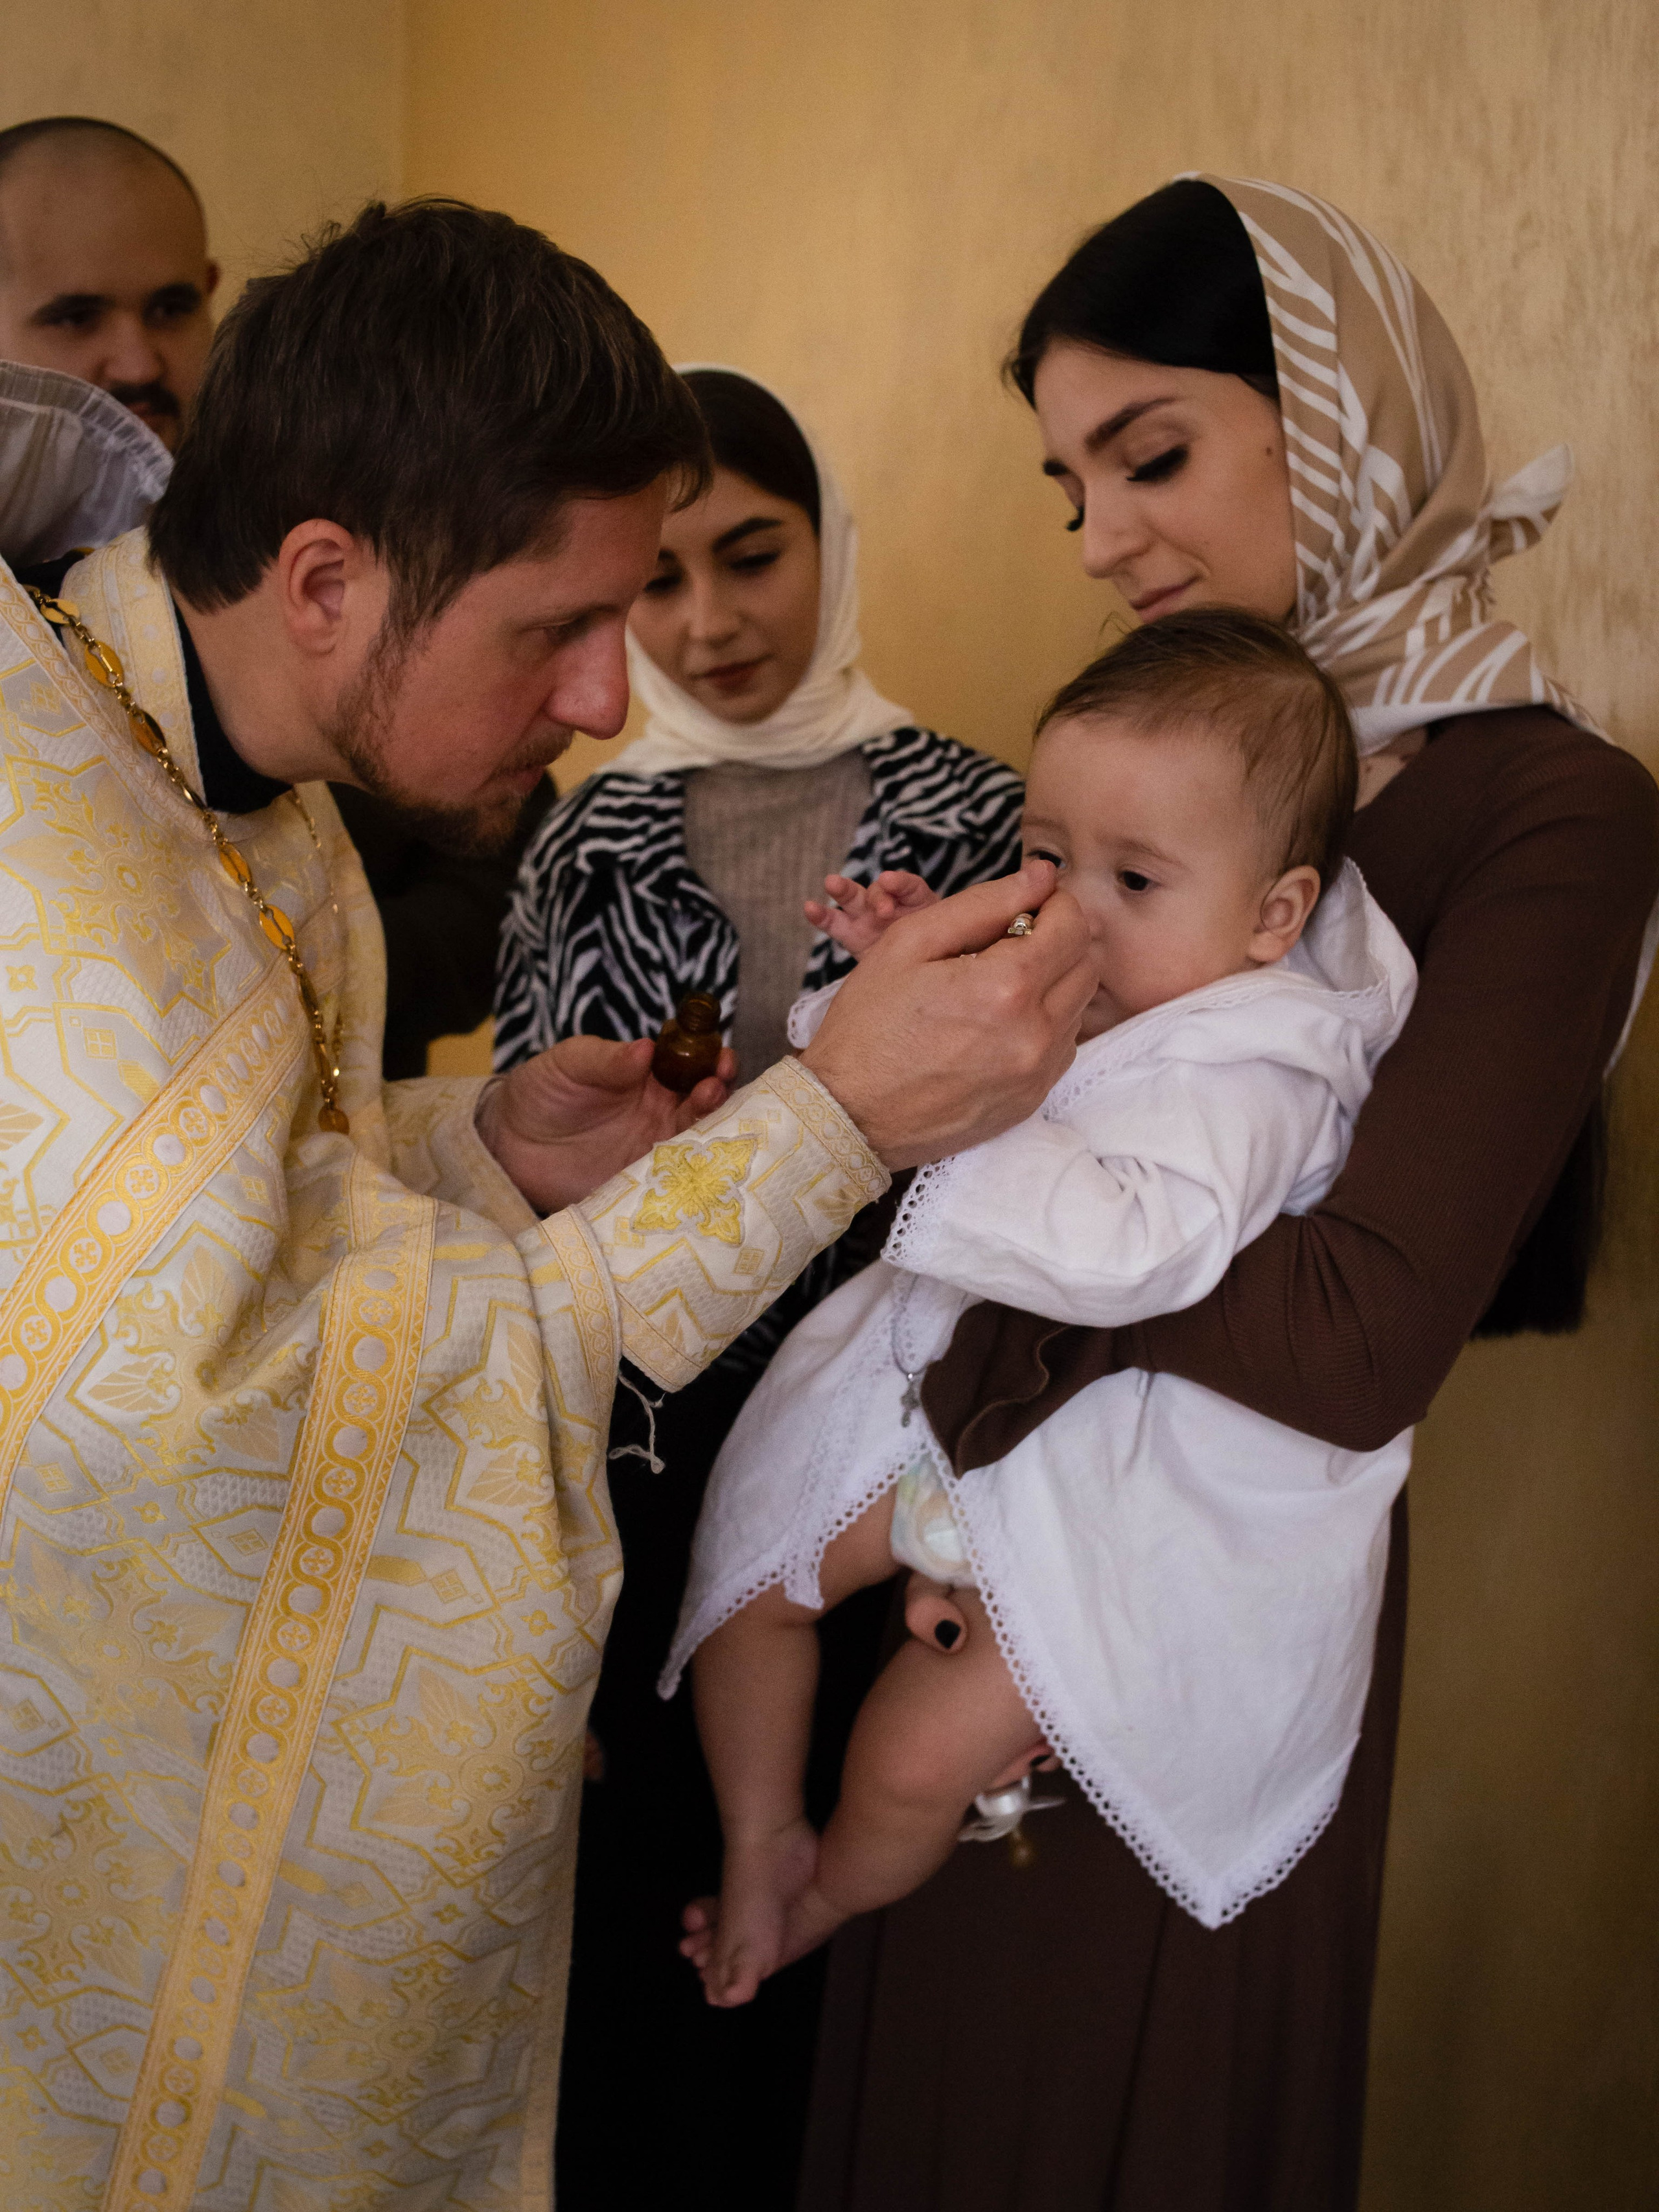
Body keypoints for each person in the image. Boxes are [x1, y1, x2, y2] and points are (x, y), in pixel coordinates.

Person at [0, 200, 1094, 2208]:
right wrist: (826, 1124)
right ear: (327, 577)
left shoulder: (247, 784)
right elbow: (205, 1422)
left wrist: (479, 1151)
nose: (613, 694)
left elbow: (224, 1221)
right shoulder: (32, 825)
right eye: (556, 623)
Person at [799, 176, 1659, 2212]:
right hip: (977, 1497)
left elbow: (1356, 1341)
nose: (1102, 541)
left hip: (1207, 1570)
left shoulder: (1545, 806)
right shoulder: (1164, 764)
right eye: (1066, 483)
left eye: (1153, 454)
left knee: (1109, 2100)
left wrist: (985, 1178)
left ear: (1339, 423)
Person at [672, 609, 1417, 2006]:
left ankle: (822, 1889)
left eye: (1133, 880)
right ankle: (759, 1833)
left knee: (908, 1757)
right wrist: (902, 987)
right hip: (962, 1391)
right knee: (751, 1570)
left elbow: (1142, 1248)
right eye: (1042, 855)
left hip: (1121, 1472)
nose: (1068, 908)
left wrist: (974, 1106)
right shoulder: (1113, 976)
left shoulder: (1256, 1065)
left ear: (1270, 913)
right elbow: (922, 1068)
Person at [495, 366, 1025, 2200]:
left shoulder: (980, 811)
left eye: (756, 556)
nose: (710, 623)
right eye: (666, 578)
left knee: (870, 1899)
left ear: (830, 546)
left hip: (896, 1430)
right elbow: (518, 1158)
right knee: (649, 1895)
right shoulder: (581, 831)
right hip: (641, 1426)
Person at [0, 113, 548, 1076]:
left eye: (170, 308)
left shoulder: (313, 498)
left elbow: (504, 836)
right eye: (77, 316)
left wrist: (301, 978)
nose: (135, 360)